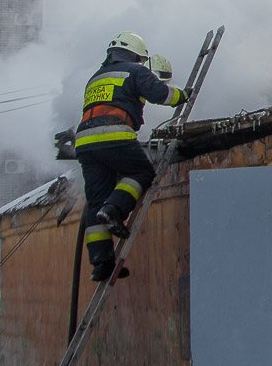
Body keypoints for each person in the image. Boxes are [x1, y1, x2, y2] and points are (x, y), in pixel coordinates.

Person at [76, 32, 188, 281]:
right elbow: (161, 94)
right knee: (141, 172)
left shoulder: (95, 78)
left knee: (95, 201)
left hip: (84, 142)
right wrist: (184, 95)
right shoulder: (134, 71)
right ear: (137, 55)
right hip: (113, 134)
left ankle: (101, 264)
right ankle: (115, 210)